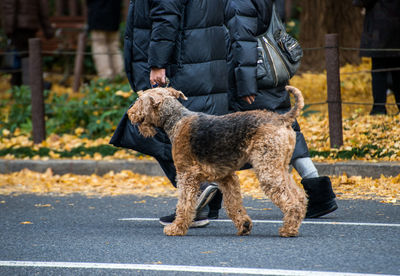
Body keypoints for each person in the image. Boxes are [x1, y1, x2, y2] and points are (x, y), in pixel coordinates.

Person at [110, 0, 230, 227]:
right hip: (204, 62)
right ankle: (202, 206)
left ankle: (200, 191)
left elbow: (166, 17)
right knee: (197, 138)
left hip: (179, 66)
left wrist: (157, 63)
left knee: (157, 134)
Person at [224, 0, 338, 218]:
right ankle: (318, 192)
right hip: (270, 76)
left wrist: (246, 85)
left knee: (236, 136)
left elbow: (244, 41)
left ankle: (211, 200)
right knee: (288, 129)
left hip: (255, 81)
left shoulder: (239, 2)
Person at [353, 0, 400, 115]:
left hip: (380, 29)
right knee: (397, 70)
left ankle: (379, 109)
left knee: (379, 71)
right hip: (396, 29)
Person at [0, 0, 54, 86]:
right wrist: (48, 30)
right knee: (27, 57)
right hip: (30, 27)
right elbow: (43, 10)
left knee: (21, 58)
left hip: (17, 28)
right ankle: (29, 86)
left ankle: (21, 87)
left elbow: (10, 8)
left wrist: (9, 30)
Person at [86, 0, 124, 80]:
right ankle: (119, 74)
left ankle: (106, 76)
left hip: (97, 16)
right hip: (114, 16)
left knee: (99, 47)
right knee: (114, 47)